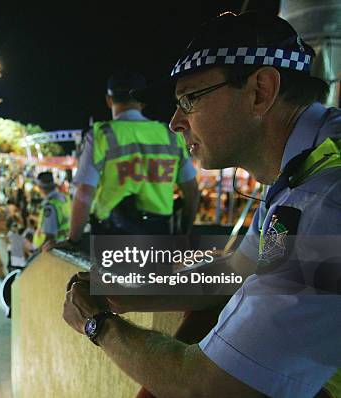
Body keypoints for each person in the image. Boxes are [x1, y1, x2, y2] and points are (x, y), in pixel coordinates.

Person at [63, 11, 341, 398]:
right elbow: (237, 268)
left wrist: (97, 325)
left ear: (260, 90)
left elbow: (207, 387)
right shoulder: (305, 167)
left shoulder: (322, 204)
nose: (176, 121)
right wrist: (126, 288)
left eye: (190, 99)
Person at [54, 70, 198, 245]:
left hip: (112, 238)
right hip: (159, 236)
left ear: (109, 100)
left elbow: (84, 193)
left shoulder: (101, 135)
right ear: (143, 102)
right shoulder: (170, 136)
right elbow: (191, 192)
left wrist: (73, 240)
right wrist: (183, 234)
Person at [32, 172, 71, 249]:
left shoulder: (50, 206)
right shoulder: (64, 198)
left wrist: (39, 253)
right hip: (63, 244)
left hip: (52, 249)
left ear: (40, 187)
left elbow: (50, 237)